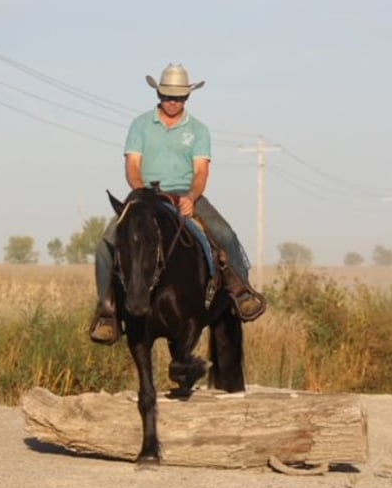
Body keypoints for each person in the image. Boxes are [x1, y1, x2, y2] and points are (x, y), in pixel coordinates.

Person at [89, 63, 265, 344]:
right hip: (144, 193)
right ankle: (107, 311)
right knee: (105, 246)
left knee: (224, 235)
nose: (173, 102)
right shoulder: (141, 125)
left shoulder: (198, 130)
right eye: (168, 96)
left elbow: (201, 172)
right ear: (158, 94)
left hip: (185, 191)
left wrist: (191, 198)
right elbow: (132, 166)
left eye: (179, 97)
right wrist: (142, 193)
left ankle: (240, 291)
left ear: (188, 98)